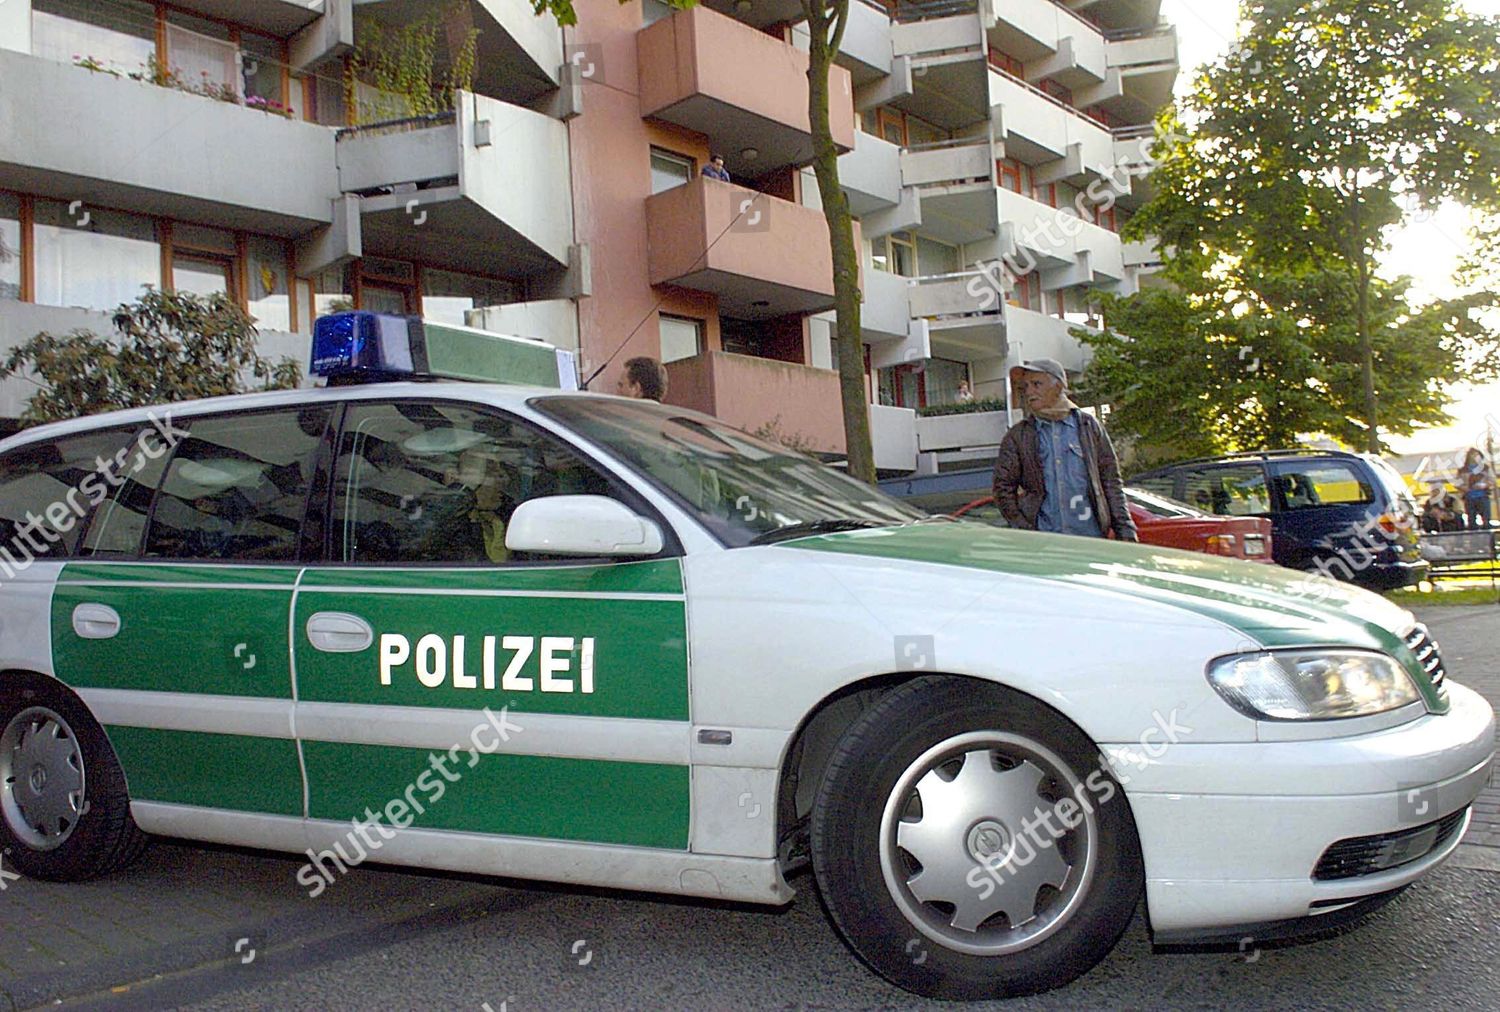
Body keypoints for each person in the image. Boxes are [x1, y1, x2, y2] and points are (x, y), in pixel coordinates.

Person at [992, 358, 1137, 541]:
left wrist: (1125, 530)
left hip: (1090, 539)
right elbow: (1002, 488)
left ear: (1059, 386)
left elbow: (1110, 481)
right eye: (1026, 386)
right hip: (1045, 543)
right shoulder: (1019, 435)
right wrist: (1024, 528)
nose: (1029, 391)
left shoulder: (1088, 426)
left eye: (1037, 384)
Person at [1461, 447, 1494, 529]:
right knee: (1471, 520)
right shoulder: (1463, 470)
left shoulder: (1485, 468)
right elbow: (1457, 482)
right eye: (1473, 455)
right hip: (1469, 497)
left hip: (1483, 496)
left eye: (1477, 455)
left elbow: (1492, 480)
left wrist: (1484, 485)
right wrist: (1464, 488)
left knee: (1486, 519)